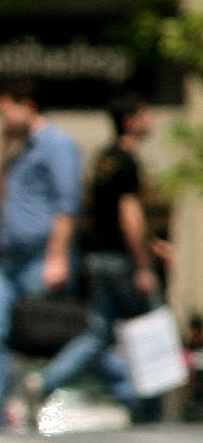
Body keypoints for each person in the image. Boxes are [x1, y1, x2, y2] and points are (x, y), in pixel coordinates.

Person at [27, 93, 164, 424]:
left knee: (98, 334)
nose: (151, 121)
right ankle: (149, 411)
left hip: (98, 256)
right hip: (122, 260)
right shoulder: (127, 160)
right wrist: (144, 263)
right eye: (145, 115)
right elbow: (128, 212)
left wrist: (152, 244)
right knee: (150, 329)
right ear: (130, 121)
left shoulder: (104, 159)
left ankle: (46, 381)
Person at [0, 77, 81, 429]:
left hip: (40, 256)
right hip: (9, 258)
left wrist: (57, 257)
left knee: (52, 333)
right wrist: (2, 153)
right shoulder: (17, 150)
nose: (1, 120)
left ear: (27, 106)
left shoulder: (57, 145)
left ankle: (113, 388)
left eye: (5, 112)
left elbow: (68, 205)